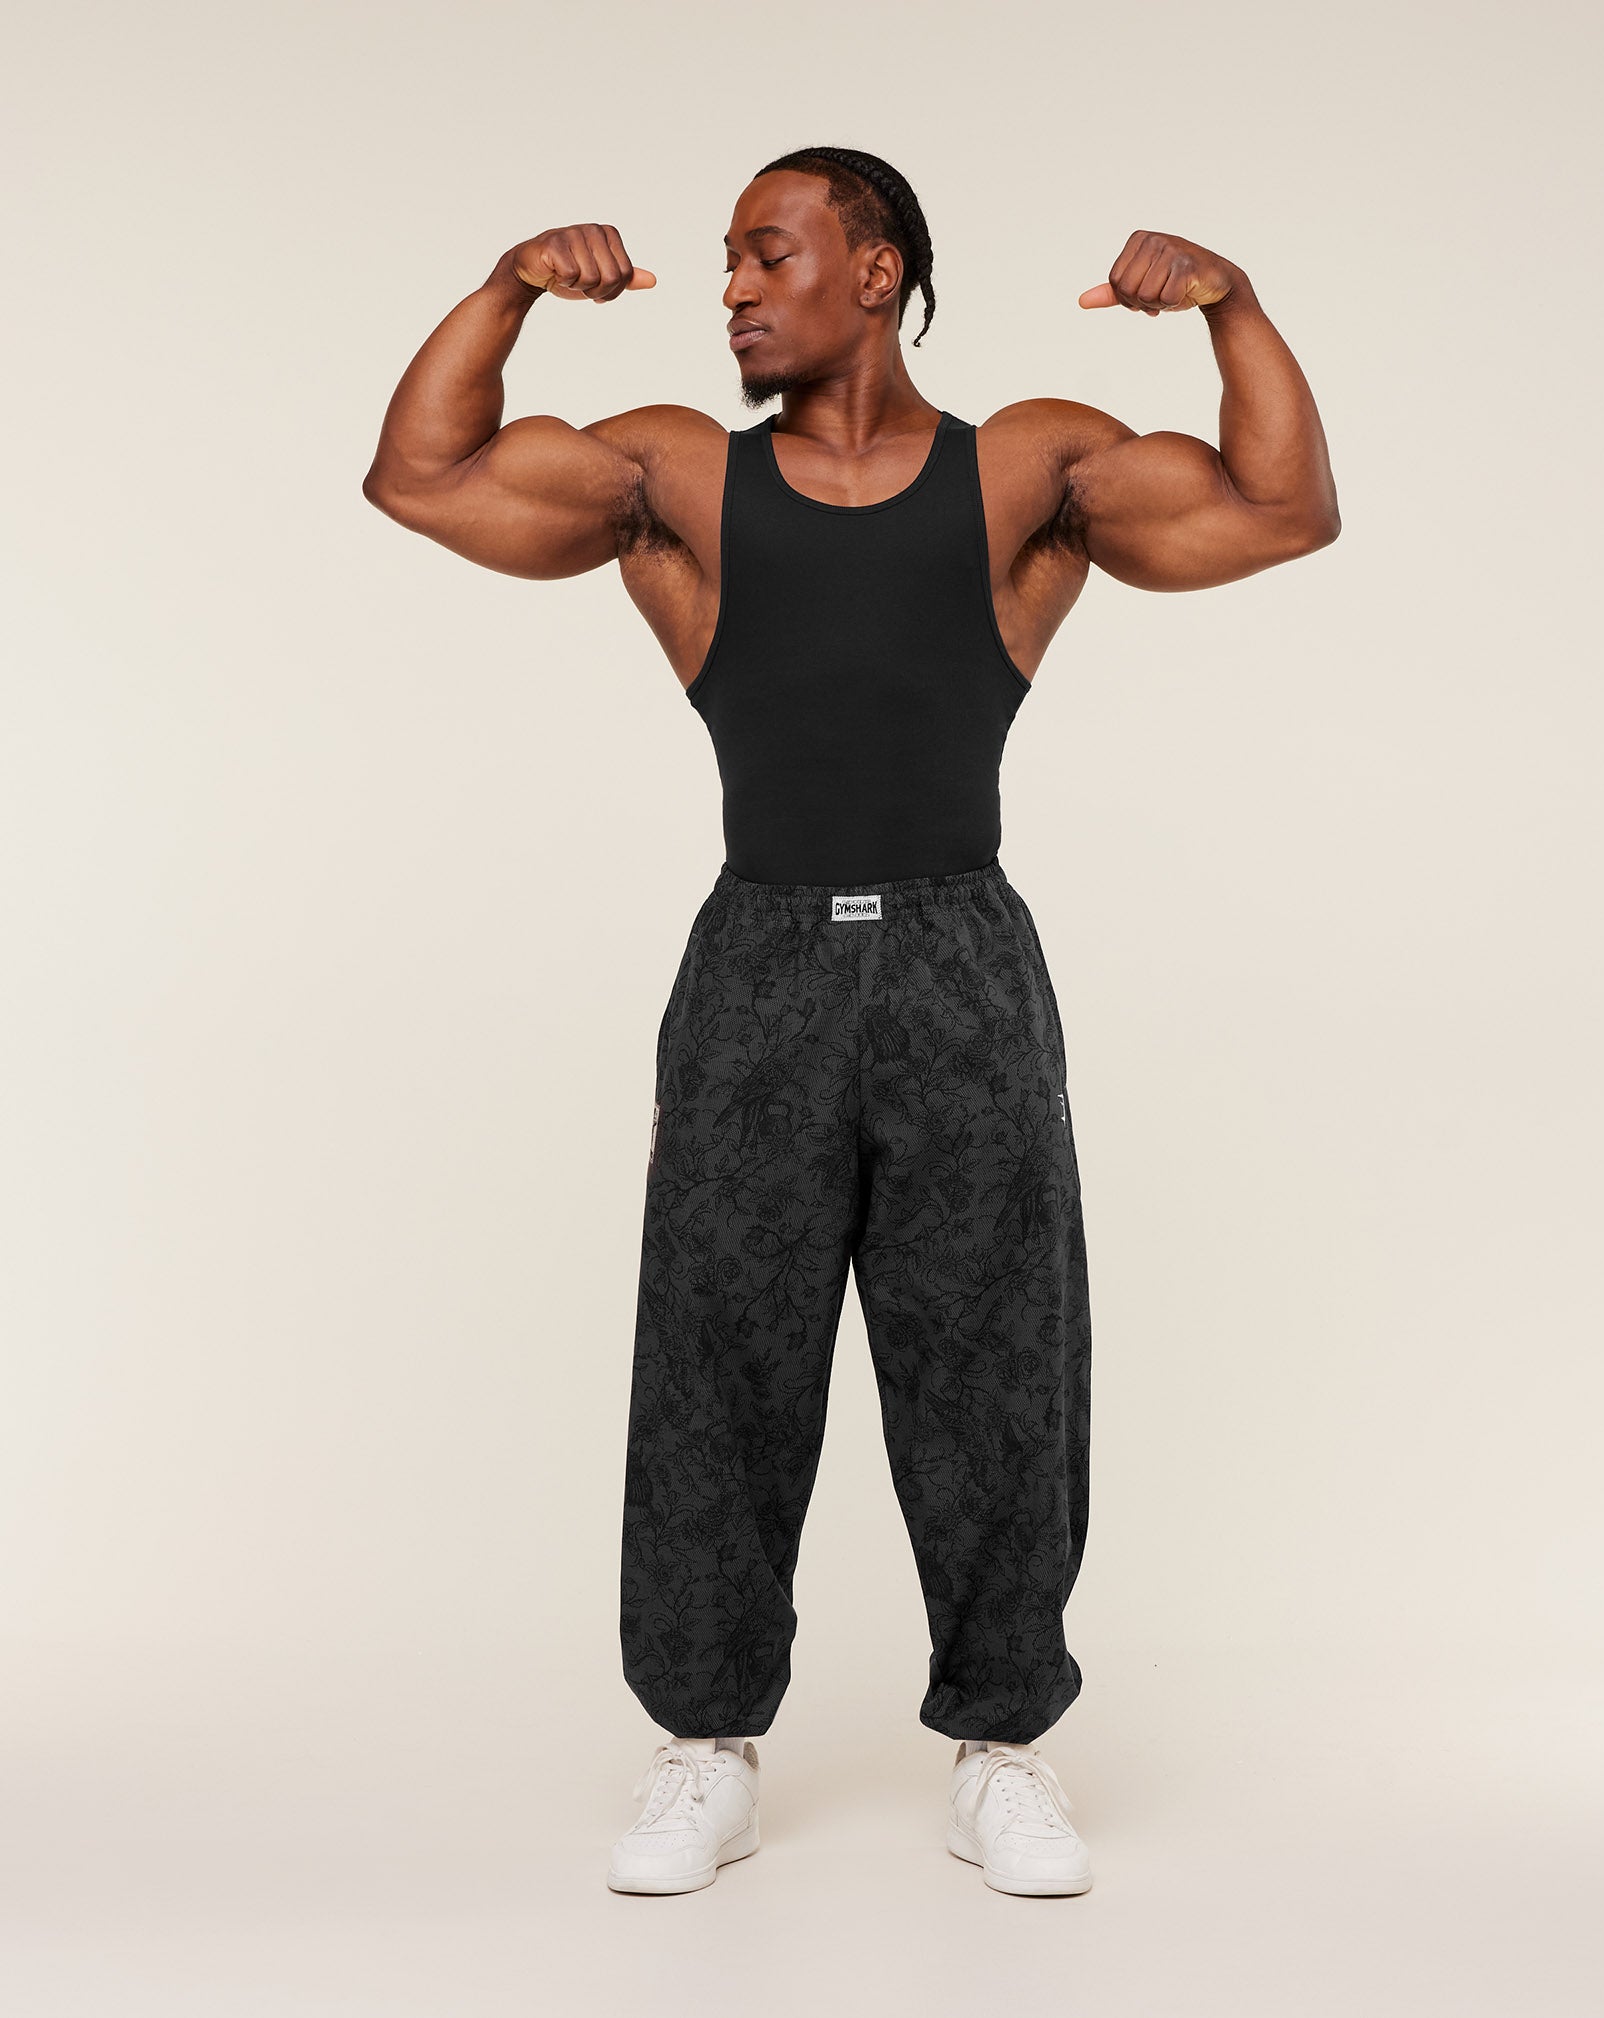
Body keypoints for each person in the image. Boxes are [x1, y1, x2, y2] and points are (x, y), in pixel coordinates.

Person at [362, 144, 1339, 1899]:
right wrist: (508, 288)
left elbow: (1281, 509)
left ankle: (1004, 1749)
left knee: (998, 1360)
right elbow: (419, 475)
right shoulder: (678, 476)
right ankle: (705, 1744)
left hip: (964, 958)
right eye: (728, 263)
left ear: (875, 273)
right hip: (760, 960)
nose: (733, 288)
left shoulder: (1025, 468)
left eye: (769, 254)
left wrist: (1234, 309)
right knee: (716, 1356)